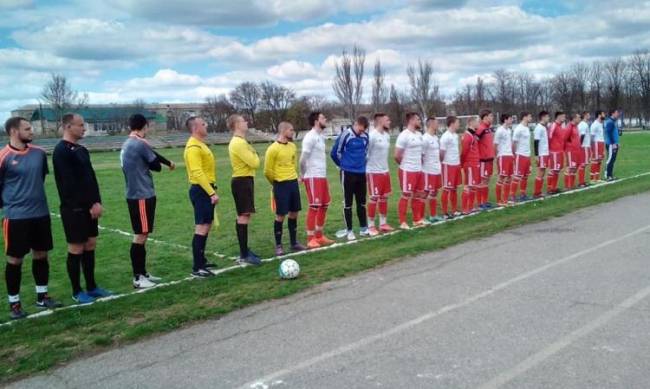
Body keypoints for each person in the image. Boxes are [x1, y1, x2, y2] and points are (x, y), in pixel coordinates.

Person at [1, 117, 62, 319]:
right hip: (16, 218)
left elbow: (40, 178)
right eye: (27, 129)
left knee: (41, 255)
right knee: (15, 260)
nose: (32, 131)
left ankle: (42, 296)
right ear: (13, 131)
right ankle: (14, 304)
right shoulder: (3, 157)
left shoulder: (39, 154)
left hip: (40, 214)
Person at [53, 113, 112, 303]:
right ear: (68, 126)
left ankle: (92, 286)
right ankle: (77, 291)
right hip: (74, 209)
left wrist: (97, 202)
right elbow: (69, 184)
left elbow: (90, 178)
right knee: (76, 248)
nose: (83, 128)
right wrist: (88, 204)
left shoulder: (81, 149)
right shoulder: (61, 151)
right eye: (80, 125)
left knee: (90, 245)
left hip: (90, 207)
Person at [120, 114, 175, 289]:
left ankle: (143, 272)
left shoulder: (129, 142)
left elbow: (151, 153)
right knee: (140, 235)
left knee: (143, 234)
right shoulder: (138, 144)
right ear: (145, 126)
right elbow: (155, 165)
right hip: (141, 195)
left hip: (136, 193)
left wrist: (168, 162)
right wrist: (165, 164)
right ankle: (138, 277)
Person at [264, 122, 306, 256]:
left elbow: (292, 164)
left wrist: (296, 176)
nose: (293, 132)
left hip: (293, 183)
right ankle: (278, 245)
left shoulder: (292, 146)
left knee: (294, 213)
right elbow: (267, 171)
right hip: (280, 184)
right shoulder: (272, 149)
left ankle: (294, 243)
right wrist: (275, 183)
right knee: (280, 215)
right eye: (291, 130)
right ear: (283, 131)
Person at [183, 116, 219, 277]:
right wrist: (211, 192)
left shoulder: (200, 144)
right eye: (204, 124)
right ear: (196, 128)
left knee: (207, 224)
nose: (207, 126)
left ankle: (202, 260)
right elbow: (197, 172)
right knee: (202, 226)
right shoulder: (193, 147)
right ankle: (197, 267)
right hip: (201, 190)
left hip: (206, 188)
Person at [227, 114, 261, 265]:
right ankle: (243, 254)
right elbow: (254, 163)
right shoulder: (238, 143)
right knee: (243, 216)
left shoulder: (241, 141)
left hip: (245, 180)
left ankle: (245, 250)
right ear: (236, 124)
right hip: (241, 181)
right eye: (243, 121)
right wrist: (254, 154)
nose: (246, 122)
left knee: (245, 215)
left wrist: (253, 154)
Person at [331, 116, 370, 241]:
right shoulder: (345, 135)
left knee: (362, 202)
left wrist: (362, 165)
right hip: (347, 173)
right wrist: (342, 165)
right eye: (360, 129)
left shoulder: (365, 137)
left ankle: (364, 228)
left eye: (364, 130)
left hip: (361, 173)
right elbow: (335, 153)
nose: (361, 132)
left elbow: (365, 152)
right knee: (348, 203)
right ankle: (349, 231)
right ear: (356, 124)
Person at [300, 112, 334, 248]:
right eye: (322, 118)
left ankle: (319, 236)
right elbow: (302, 159)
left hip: (321, 176)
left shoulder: (320, 136)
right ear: (316, 121)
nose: (325, 119)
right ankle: (310, 238)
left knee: (324, 205)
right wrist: (303, 175)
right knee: (314, 206)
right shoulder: (310, 137)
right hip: (313, 176)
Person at [394, 112, 425, 229]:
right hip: (407, 170)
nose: (419, 121)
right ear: (411, 120)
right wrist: (405, 166)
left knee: (418, 195)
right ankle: (402, 222)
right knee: (406, 195)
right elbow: (397, 155)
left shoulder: (419, 135)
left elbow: (421, 154)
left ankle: (416, 220)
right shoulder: (404, 135)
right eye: (418, 119)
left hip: (418, 170)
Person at [366, 113, 394, 235]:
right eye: (387, 119)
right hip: (373, 172)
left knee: (384, 197)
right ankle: (371, 225)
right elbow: (365, 154)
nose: (389, 122)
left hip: (385, 171)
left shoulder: (387, 136)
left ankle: (383, 223)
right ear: (380, 121)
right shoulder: (371, 136)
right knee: (373, 198)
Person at [439, 116, 461, 218]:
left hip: (456, 164)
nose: (459, 124)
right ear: (452, 123)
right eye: (457, 122)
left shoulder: (456, 135)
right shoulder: (445, 136)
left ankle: (454, 210)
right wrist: (443, 163)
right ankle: (444, 212)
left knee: (454, 188)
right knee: (447, 188)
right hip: (448, 165)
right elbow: (441, 153)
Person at [422, 117, 443, 222]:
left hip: (436, 169)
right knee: (425, 193)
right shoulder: (425, 138)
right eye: (436, 123)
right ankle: (420, 217)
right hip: (428, 170)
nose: (438, 125)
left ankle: (433, 215)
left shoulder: (435, 137)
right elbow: (421, 156)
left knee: (434, 192)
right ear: (430, 124)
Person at [475, 109, 495, 209]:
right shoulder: (481, 129)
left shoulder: (489, 128)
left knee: (487, 180)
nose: (493, 118)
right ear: (485, 117)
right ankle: (480, 203)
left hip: (490, 159)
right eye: (491, 116)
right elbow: (474, 142)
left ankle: (485, 201)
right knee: (482, 181)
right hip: (483, 160)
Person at [460, 117, 480, 215]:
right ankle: (464, 209)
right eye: (477, 122)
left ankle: (471, 207)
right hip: (470, 164)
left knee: (473, 186)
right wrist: (463, 163)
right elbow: (464, 152)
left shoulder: (473, 134)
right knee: (468, 186)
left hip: (475, 163)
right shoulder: (468, 136)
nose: (478, 124)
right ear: (471, 123)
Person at [494, 114, 514, 205]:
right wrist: (496, 156)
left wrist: (512, 154)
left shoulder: (509, 130)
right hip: (502, 156)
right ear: (505, 120)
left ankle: (505, 199)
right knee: (501, 177)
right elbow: (495, 144)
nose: (512, 120)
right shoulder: (499, 130)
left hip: (509, 155)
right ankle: (499, 200)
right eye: (510, 119)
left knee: (509, 178)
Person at [511, 112, 532, 201]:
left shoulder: (527, 128)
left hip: (527, 155)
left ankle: (523, 194)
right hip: (520, 154)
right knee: (517, 176)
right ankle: (512, 196)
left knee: (525, 176)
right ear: (524, 117)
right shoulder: (518, 128)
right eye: (529, 116)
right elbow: (514, 142)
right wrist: (515, 154)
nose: (531, 118)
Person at [547, 111, 567, 194]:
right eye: (563, 116)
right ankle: (550, 188)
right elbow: (549, 137)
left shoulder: (561, 126)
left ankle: (553, 187)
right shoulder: (554, 125)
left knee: (557, 170)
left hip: (560, 151)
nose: (564, 118)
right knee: (554, 170)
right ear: (558, 117)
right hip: (554, 151)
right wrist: (550, 150)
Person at [533, 111, 551, 198]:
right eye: (547, 117)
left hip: (546, 152)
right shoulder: (539, 128)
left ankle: (538, 192)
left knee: (543, 172)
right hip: (542, 153)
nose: (549, 118)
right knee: (540, 171)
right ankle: (536, 192)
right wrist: (536, 155)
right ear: (543, 117)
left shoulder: (545, 127)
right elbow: (536, 142)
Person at [564, 113, 582, 190]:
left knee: (575, 167)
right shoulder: (569, 126)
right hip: (570, 151)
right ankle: (568, 186)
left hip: (576, 151)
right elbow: (565, 138)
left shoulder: (576, 127)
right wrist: (569, 146)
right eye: (578, 117)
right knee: (570, 167)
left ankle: (571, 184)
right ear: (574, 118)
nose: (580, 119)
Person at [590, 110, 606, 182]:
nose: (604, 115)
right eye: (603, 114)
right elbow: (592, 136)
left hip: (601, 144)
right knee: (595, 161)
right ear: (599, 115)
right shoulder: (595, 124)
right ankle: (592, 179)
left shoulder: (601, 124)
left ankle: (597, 178)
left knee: (599, 161)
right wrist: (592, 146)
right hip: (596, 143)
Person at [604, 109, 620, 181]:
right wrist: (613, 143)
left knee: (613, 159)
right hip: (611, 144)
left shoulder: (614, 122)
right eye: (616, 113)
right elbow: (609, 133)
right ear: (612, 113)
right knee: (610, 159)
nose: (618, 114)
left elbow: (614, 133)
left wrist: (617, 143)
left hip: (614, 144)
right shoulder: (610, 122)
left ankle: (610, 175)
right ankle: (607, 175)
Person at [577, 111, 591, 187]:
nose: (589, 116)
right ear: (585, 115)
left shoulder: (584, 124)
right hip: (584, 146)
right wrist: (580, 146)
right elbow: (582, 136)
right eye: (588, 115)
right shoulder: (583, 124)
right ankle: (581, 182)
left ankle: (582, 181)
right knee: (582, 165)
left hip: (586, 146)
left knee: (584, 164)